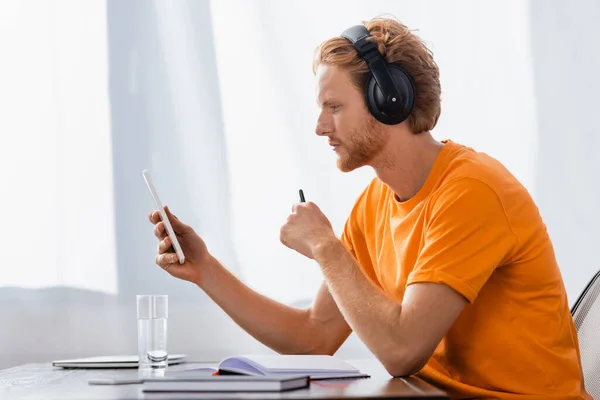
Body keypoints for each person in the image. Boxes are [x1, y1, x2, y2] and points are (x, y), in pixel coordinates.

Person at [148, 17, 590, 399]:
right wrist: (205, 270)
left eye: (334, 107)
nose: (320, 127)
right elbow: (313, 337)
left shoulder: (472, 192)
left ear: (389, 100)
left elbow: (402, 351)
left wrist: (324, 245)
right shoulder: (375, 203)